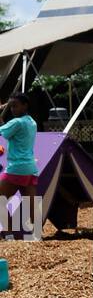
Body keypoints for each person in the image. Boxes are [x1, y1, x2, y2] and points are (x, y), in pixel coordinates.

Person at [0, 94, 39, 235]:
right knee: (31, 203)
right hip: (31, 168)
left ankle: (9, 234)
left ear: (25, 105)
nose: (12, 109)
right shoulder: (32, 122)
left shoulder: (17, 122)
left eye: (15, 105)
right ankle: (37, 235)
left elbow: (2, 131)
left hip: (16, 168)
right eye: (10, 106)